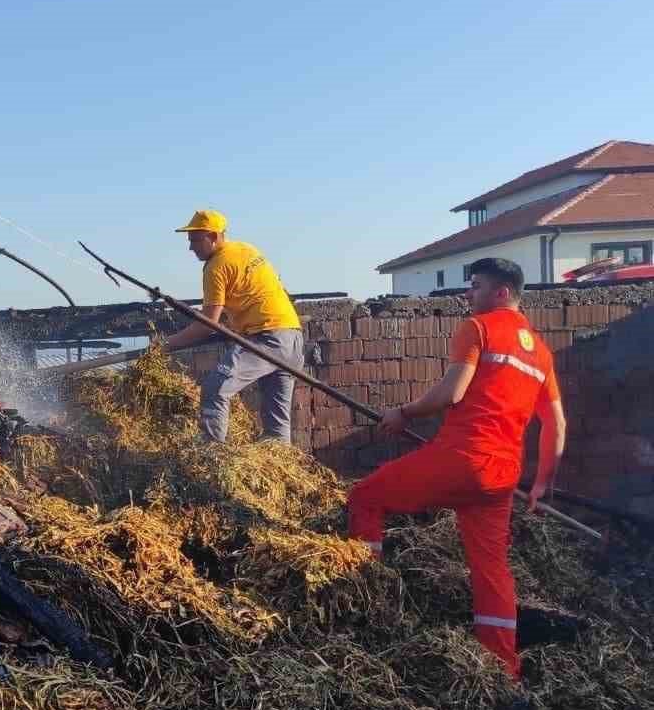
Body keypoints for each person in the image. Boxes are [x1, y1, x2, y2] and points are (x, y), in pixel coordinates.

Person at [347, 256, 567, 680]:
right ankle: (504, 666)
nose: (469, 294)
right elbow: (556, 423)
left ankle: (364, 600)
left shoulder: (479, 327)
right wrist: (542, 484)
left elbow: (453, 391)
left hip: (463, 458)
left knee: (365, 497)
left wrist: (403, 414)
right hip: (502, 476)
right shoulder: (540, 353)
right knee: (492, 569)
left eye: (477, 286)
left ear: (501, 292)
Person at [159, 210, 304, 443]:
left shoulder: (215, 266)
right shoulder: (247, 249)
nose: (191, 248)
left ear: (214, 236)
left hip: (267, 337)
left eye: (195, 240)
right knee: (277, 428)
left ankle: (212, 457)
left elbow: (207, 324)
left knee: (215, 388)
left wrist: (166, 344)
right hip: (292, 336)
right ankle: (281, 465)